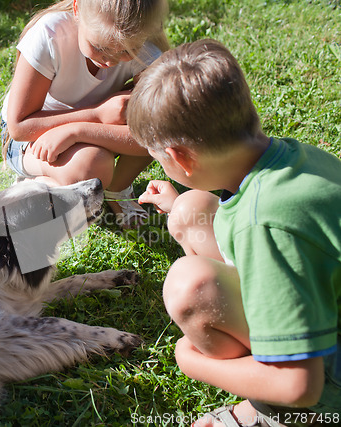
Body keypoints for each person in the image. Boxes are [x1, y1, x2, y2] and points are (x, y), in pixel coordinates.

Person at [128, 39, 341, 426]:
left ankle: (273, 412)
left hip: (322, 379)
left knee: (188, 287)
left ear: (179, 157)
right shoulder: (294, 160)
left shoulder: (265, 224)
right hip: (325, 308)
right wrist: (178, 204)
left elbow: (300, 385)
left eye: (158, 158)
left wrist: (191, 362)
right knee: (191, 211)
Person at [0, 0, 169, 228]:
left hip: (89, 132)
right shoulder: (50, 34)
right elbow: (19, 127)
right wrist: (97, 115)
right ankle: (34, 184)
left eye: (128, 51)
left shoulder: (147, 49)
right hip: (31, 137)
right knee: (92, 167)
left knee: (151, 124)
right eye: (99, 47)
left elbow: (158, 138)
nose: (110, 60)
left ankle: (116, 189)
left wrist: (77, 130)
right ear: (77, 10)